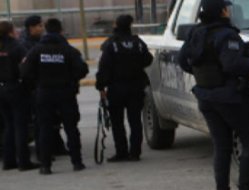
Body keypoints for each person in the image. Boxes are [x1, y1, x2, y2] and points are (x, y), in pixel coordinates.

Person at [178, 0, 249, 190]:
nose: (229, 11)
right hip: (230, 98)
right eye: (227, 8)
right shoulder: (226, 35)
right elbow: (232, 64)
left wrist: (206, 77)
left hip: (206, 97)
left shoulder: (195, 33)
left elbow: (184, 61)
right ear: (222, 12)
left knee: (221, 147)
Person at [21, 18, 89, 175]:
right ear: (60, 31)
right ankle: (77, 162)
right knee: (71, 128)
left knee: (44, 129)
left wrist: (36, 82)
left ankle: (45, 166)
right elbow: (82, 69)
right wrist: (71, 79)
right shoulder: (69, 50)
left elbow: (25, 71)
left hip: (44, 93)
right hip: (65, 92)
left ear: (46, 30)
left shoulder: (36, 50)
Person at [96, 14, 154, 162]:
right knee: (135, 120)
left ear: (116, 25)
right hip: (136, 86)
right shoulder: (138, 42)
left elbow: (104, 67)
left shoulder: (111, 44)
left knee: (117, 122)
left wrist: (101, 86)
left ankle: (121, 152)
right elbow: (148, 59)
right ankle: (135, 153)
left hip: (116, 88)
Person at [20, 15, 69, 158]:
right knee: (41, 121)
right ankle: (45, 150)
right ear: (31, 28)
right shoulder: (26, 45)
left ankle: (56, 146)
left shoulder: (40, 42)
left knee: (54, 119)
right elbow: (27, 68)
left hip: (48, 86)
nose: (42, 29)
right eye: (39, 26)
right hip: (37, 88)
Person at [0, 21, 39, 171]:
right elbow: (26, 67)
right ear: (10, 31)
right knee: (20, 125)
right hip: (15, 88)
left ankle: (9, 161)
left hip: (1, 89)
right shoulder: (16, 47)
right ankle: (24, 161)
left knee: (9, 125)